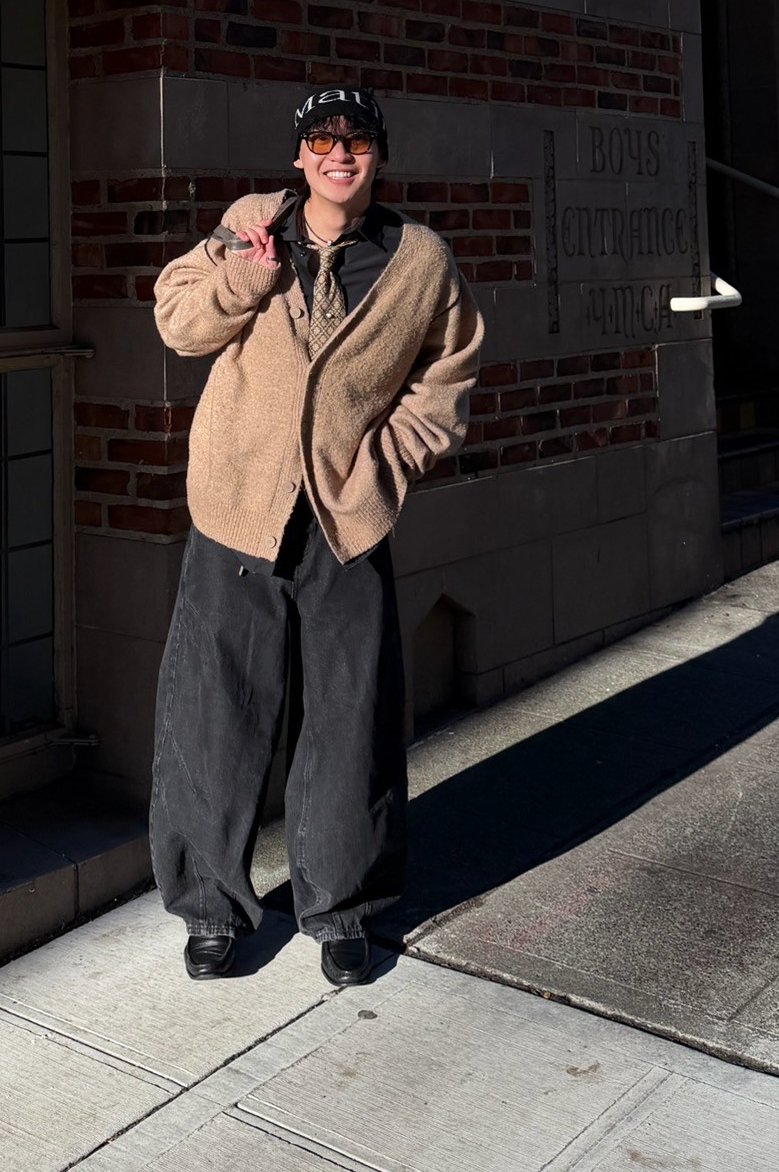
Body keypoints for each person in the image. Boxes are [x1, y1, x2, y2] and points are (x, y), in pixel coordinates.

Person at [149, 85, 484, 987]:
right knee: (213, 713)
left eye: (358, 140)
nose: (341, 154)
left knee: (350, 721)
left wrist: (388, 464)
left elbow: (448, 376)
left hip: (347, 518)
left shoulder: (419, 262)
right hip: (236, 510)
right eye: (323, 140)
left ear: (379, 154)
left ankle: (343, 908)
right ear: (299, 155)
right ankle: (210, 908)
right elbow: (178, 321)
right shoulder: (251, 227)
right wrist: (245, 278)